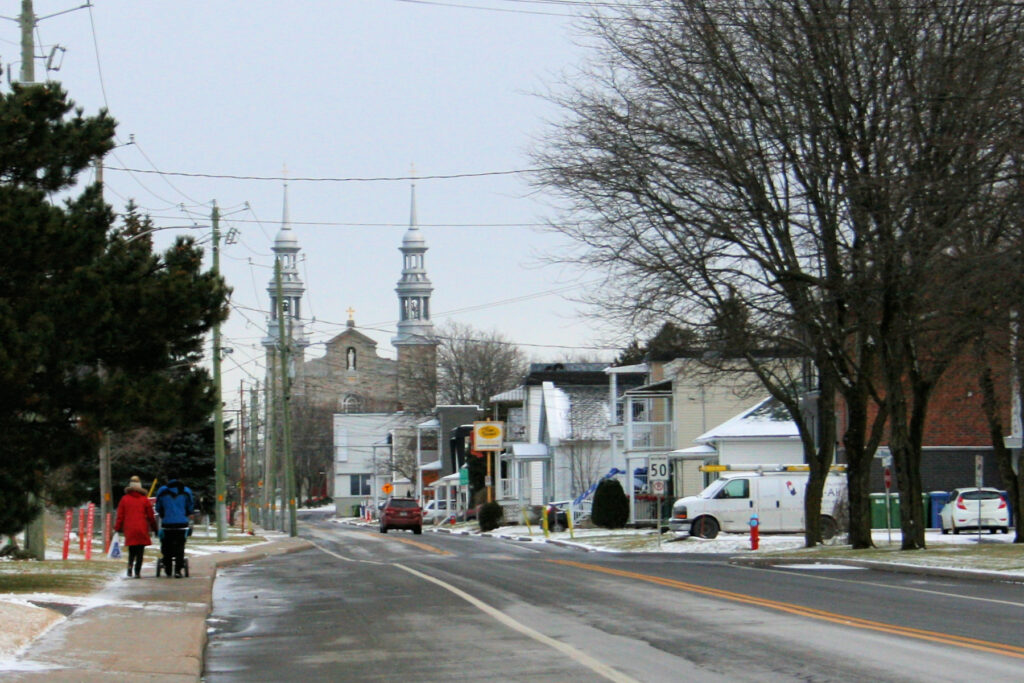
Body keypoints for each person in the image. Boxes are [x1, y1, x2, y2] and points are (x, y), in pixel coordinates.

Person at [114, 475, 157, 578]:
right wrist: (155, 528)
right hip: (142, 528)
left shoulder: (124, 499)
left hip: (130, 528)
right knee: (140, 551)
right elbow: (151, 516)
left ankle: (129, 568)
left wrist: (117, 528)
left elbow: (120, 516)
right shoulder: (144, 500)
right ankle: (137, 571)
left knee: (132, 550)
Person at [154, 474, 194, 578]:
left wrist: (164, 514)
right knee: (180, 547)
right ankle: (178, 569)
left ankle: (167, 567)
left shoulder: (162, 491)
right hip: (181, 524)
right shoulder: (186, 491)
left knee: (166, 546)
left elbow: (158, 507)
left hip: (167, 524)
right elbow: (190, 507)